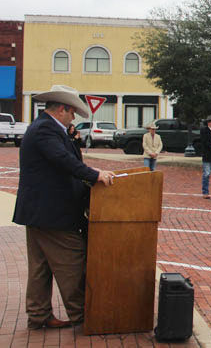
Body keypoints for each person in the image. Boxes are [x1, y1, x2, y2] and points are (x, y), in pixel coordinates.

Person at [13, 85, 114, 329]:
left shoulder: (42, 127)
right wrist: (94, 175)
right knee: (72, 260)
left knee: (41, 267)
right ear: (62, 109)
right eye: (72, 114)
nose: (73, 119)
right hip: (51, 212)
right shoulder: (46, 130)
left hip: (40, 211)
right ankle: (83, 316)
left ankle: (38, 315)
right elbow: (63, 160)